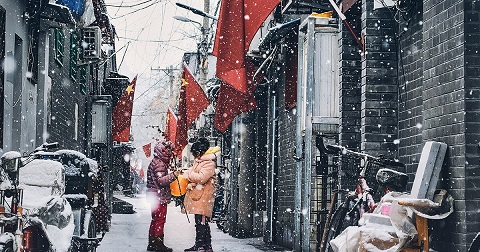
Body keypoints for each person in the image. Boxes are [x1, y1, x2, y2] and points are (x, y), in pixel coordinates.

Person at [182, 138, 218, 252]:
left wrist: (188, 173)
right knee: (200, 221)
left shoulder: (208, 162)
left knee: (201, 221)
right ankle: (206, 246)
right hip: (199, 195)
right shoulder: (200, 161)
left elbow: (201, 178)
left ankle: (201, 245)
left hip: (204, 196)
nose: (194, 156)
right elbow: (197, 177)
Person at [146, 140, 179, 252]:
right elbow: (161, 181)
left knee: (155, 220)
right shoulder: (159, 164)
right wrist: (173, 175)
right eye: (168, 151)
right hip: (158, 197)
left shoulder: (155, 162)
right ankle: (158, 245)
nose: (169, 154)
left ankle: (152, 243)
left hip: (154, 197)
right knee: (160, 220)